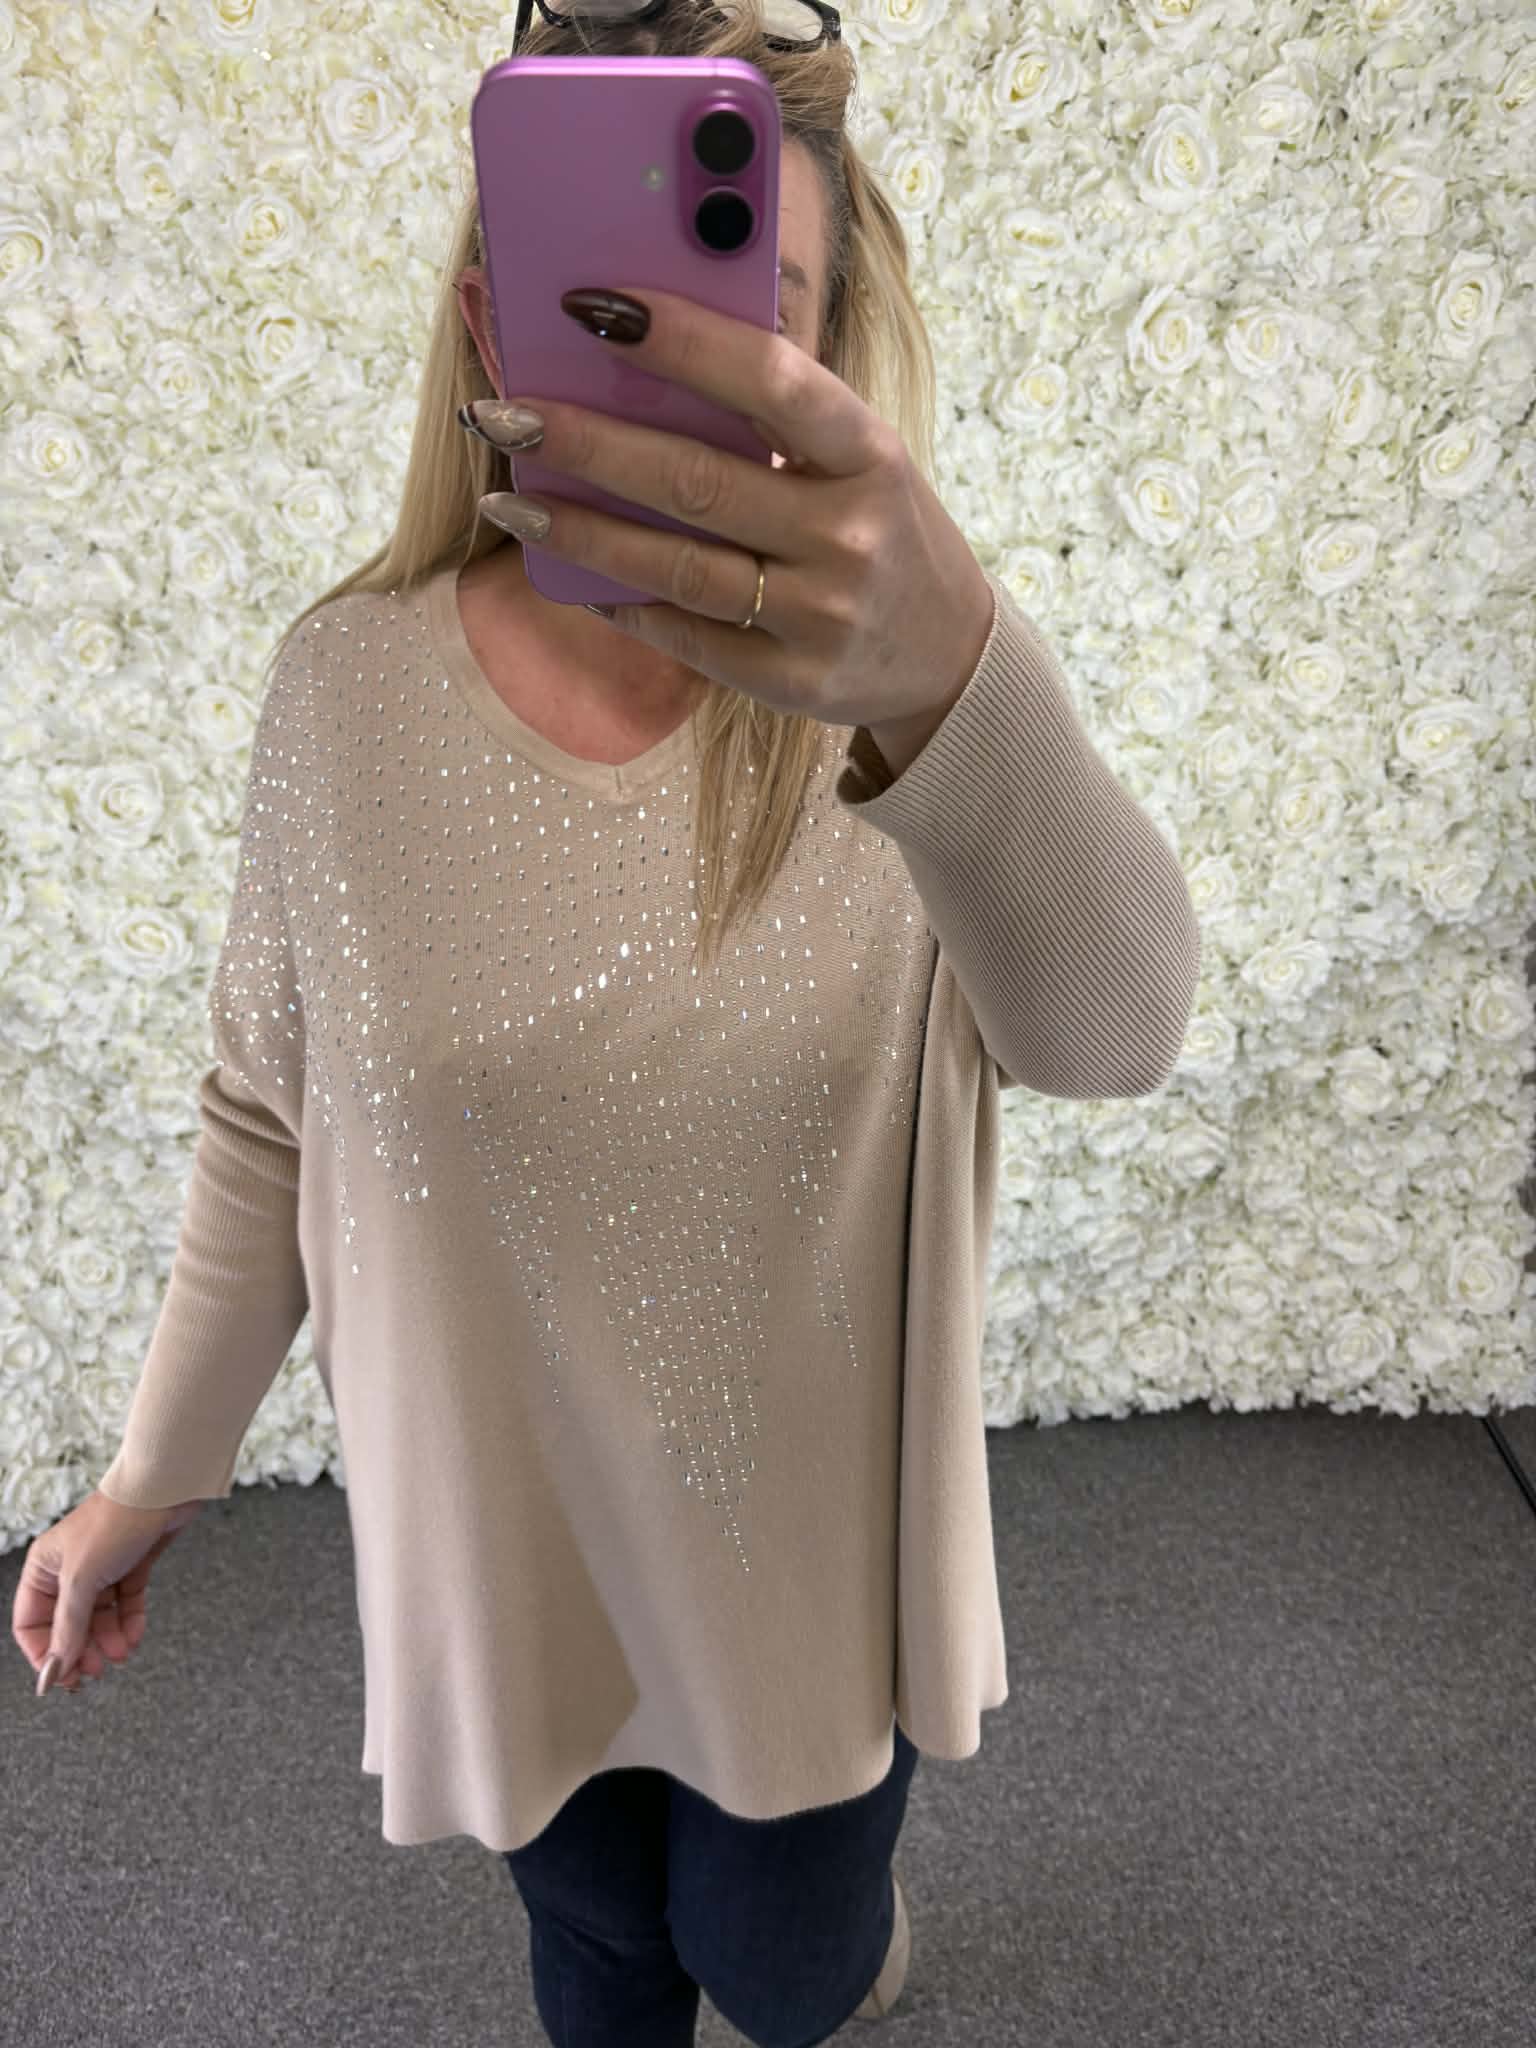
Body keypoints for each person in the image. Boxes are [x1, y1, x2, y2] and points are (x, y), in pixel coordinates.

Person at [13, 4, 1202, 2045]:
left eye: (749, 315)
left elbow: (1119, 1032)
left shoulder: (912, 716)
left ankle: (834, 1960)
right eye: (600, 309)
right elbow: (266, 1117)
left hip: (805, 1584)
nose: (678, 380)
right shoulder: (344, 695)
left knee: (785, 1969)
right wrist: (155, 1472)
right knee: (597, 1966)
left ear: (829, 356)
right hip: (511, 1569)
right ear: (491, 322)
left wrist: (950, 679)